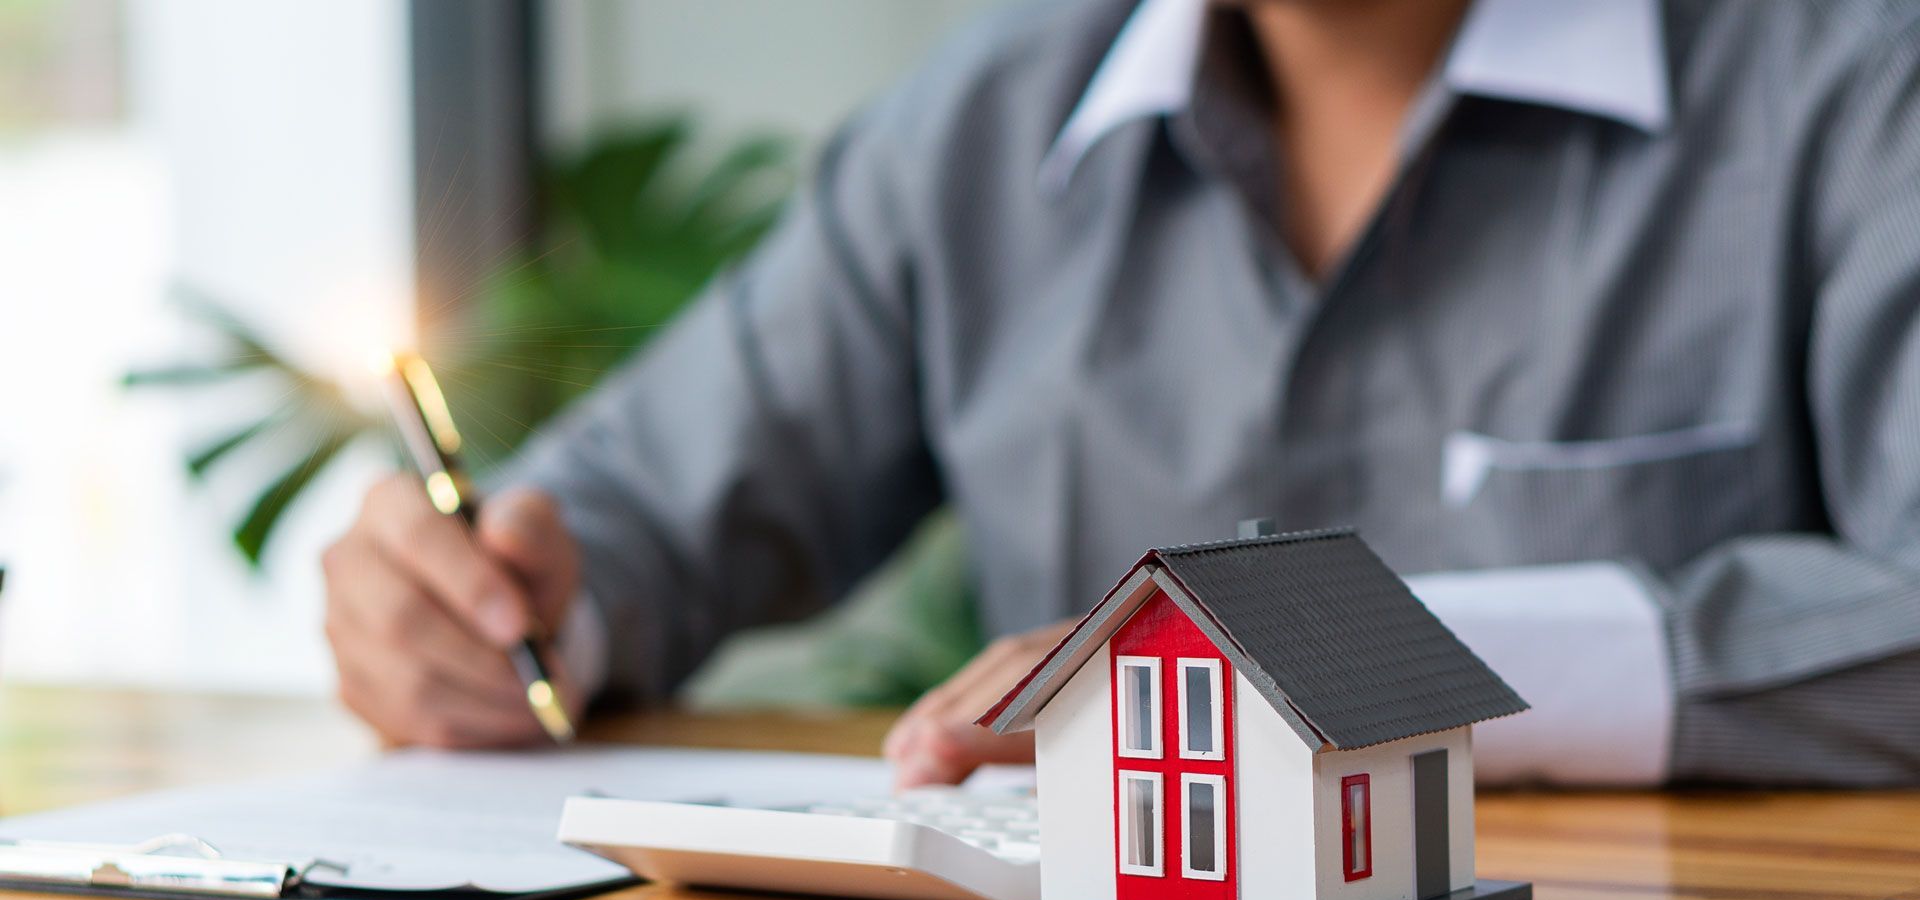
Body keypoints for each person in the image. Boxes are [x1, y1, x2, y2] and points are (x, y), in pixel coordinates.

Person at [323, 0, 1920, 788]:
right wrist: (504, 612)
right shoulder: (983, 126)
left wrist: (1346, 665)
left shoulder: (1852, 86)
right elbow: (641, 502)